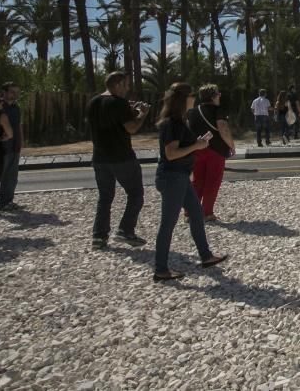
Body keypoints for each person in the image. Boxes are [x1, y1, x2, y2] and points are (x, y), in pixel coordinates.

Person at [153, 82, 227, 282]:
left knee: (196, 214)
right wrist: (196, 145)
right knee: (167, 224)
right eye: (191, 96)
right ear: (183, 99)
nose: (193, 99)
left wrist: (197, 145)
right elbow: (171, 153)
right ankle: (160, 269)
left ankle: (206, 256)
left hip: (180, 177)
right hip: (172, 177)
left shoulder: (179, 121)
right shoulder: (173, 123)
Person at [87, 72, 150, 250]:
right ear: (118, 84)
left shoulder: (93, 102)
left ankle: (99, 237)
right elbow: (131, 127)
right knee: (135, 194)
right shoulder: (118, 103)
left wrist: (129, 111)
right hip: (121, 157)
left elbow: (110, 120)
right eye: (126, 84)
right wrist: (142, 114)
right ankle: (125, 230)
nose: (128, 88)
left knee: (105, 197)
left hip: (99, 157)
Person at [188, 84, 236, 222]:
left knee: (197, 181)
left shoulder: (193, 111)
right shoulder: (218, 110)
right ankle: (207, 212)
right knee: (212, 182)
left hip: (197, 150)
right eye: (218, 93)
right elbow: (223, 128)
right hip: (216, 150)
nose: (220, 95)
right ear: (213, 96)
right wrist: (231, 145)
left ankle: (190, 212)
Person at [0, 82, 24, 212]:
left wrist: (21, 142)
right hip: (1, 148)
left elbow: (19, 126)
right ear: (5, 92)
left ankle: (7, 202)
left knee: (11, 177)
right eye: (13, 92)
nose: (15, 95)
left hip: (14, 146)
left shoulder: (16, 108)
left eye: (17, 92)